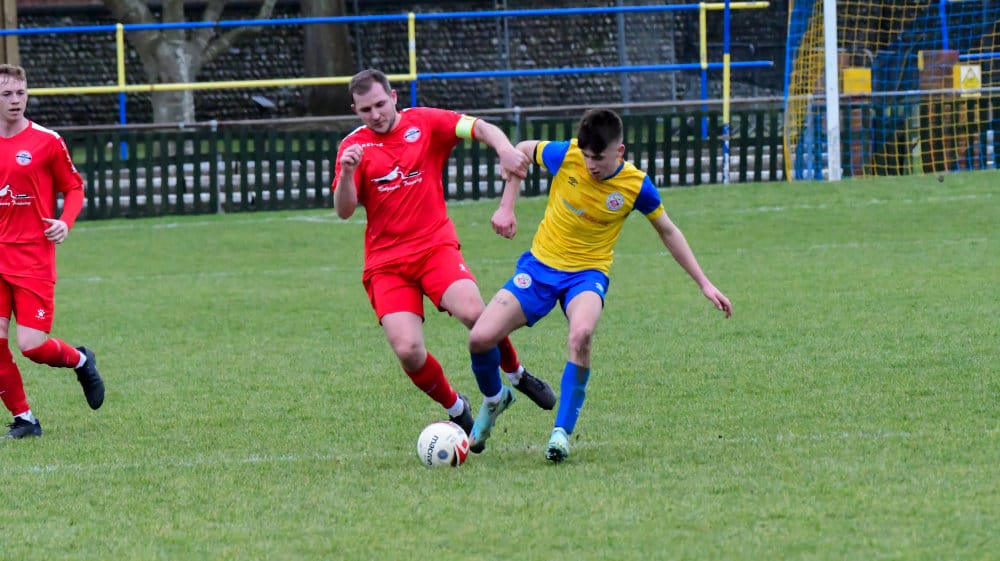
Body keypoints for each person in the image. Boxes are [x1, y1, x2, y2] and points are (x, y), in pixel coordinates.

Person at [468, 108, 733, 461]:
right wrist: (507, 206)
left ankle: (560, 433)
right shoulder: (566, 154)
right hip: (540, 267)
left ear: (619, 151)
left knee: (581, 335)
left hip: (587, 275)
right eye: (587, 156)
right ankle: (495, 399)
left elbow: (668, 230)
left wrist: (704, 283)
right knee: (480, 338)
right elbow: (522, 151)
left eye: (599, 158)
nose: (591, 165)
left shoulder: (636, 185)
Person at [331, 69, 555, 451]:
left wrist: (504, 149)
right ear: (355, 109)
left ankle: (516, 375)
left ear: (394, 97)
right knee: (408, 351)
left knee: (476, 314)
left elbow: (480, 127)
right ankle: (457, 408)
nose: (376, 114)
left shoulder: (426, 123)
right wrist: (349, 173)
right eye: (366, 109)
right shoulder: (353, 146)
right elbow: (345, 210)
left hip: (434, 247)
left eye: (381, 104)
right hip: (387, 264)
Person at [0, 64, 105, 439]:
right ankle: (25, 419)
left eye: (20, 92)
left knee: (31, 346)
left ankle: (80, 359)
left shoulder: (46, 141)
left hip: (32, 259)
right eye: (7, 94)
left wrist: (65, 221)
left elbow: (74, 188)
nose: (15, 100)